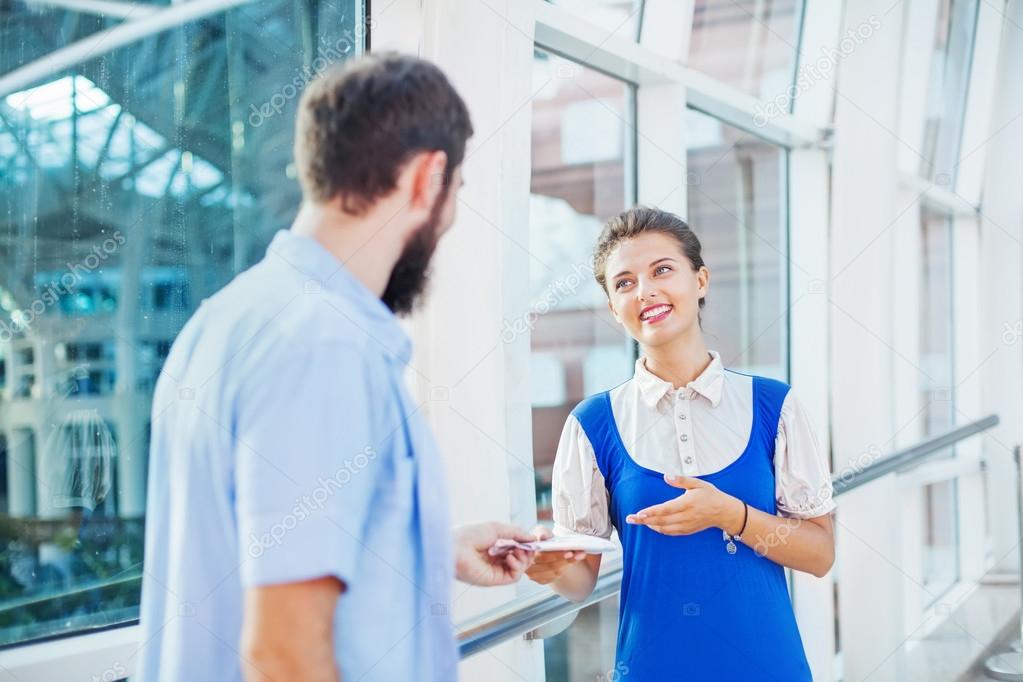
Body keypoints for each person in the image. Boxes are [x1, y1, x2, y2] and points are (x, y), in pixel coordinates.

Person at [137, 53, 536, 682]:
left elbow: (250, 553)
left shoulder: (228, 319)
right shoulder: (325, 347)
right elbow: (284, 654)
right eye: (457, 190)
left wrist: (430, 548)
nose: (452, 216)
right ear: (428, 178)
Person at [526, 206, 836, 681]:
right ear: (614, 308)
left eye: (662, 270)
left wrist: (731, 515)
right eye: (624, 283)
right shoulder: (593, 424)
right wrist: (546, 568)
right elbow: (581, 578)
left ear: (701, 281)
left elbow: (819, 554)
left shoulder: (775, 406)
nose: (645, 291)